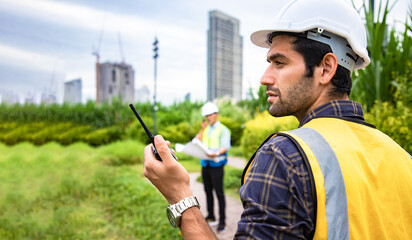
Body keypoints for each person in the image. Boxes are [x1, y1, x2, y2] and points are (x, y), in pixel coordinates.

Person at [143, 0, 412, 239]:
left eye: (279, 62)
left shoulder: (284, 157)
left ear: (326, 68)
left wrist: (181, 197)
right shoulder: (403, 158)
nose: (265, 78)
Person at [195, 102, 231, 233]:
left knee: (219, 194)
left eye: (209, 114)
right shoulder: (206, 129)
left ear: (216, 114)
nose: (207, 117)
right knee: (208, 192)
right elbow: (197, 140)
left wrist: (215, 153)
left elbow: (225, 146)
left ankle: (222, 222)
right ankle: (211, 216)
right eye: (206, 115)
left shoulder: (223, 130)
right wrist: (202, 129)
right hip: (206, 164)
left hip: (217, 165)